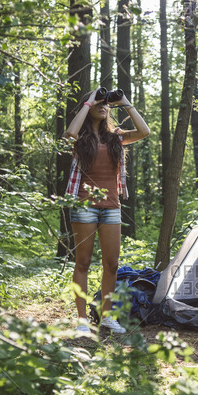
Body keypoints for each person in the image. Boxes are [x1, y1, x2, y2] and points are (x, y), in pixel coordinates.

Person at [64, 88, 150, 334]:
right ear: (90, 106)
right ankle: (82, 320)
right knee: (83, 262)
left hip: (112, 207)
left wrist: (125, 103)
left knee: (111, 264)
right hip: (84, 206)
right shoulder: (81, 139)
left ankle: (107, 317)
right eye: (99, 103)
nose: (103, 106)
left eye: (106, 104)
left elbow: (145, 132)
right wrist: (89, 102)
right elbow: (70, 132)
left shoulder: (116, 137)